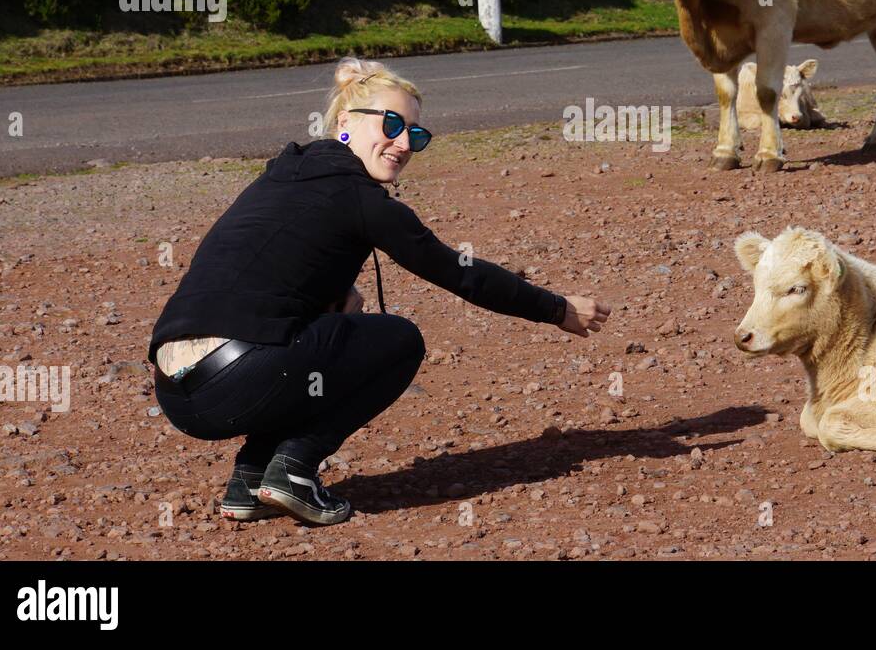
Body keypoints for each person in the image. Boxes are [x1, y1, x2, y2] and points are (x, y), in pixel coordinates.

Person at [148, 57, 611, 525]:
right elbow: (459, 272)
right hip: (239, 375)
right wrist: (556, 308)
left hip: (177, 391)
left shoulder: (282, 174)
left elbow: (264, 263)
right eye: (392, 123)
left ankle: (249, 477)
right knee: (398, 341)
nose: (405, 142)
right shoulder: (359, 197)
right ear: (345, 122)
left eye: (417, 133)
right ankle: (293, 468)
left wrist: (333, 291)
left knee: (320, 333)